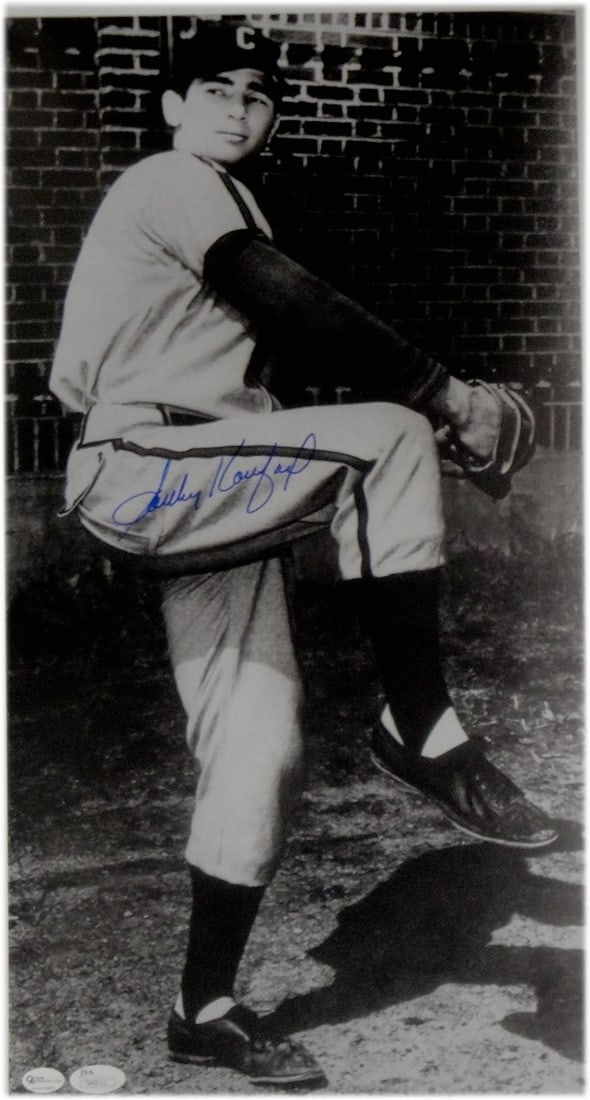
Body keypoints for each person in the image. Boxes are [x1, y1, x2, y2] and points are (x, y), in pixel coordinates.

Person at [50, 20, 557, 1088]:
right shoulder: (169, 175)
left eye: (259, 94)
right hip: (141, 460)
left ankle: (204, 1004)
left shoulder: (227, 197)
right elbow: (279, 289)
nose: (239, 107)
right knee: (391, 429)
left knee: (260, 752)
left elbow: (272, 393)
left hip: (206, 483)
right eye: (216, 88)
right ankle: (419, 719)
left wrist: (426, 456)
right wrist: (445, 396)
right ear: (172, 105)